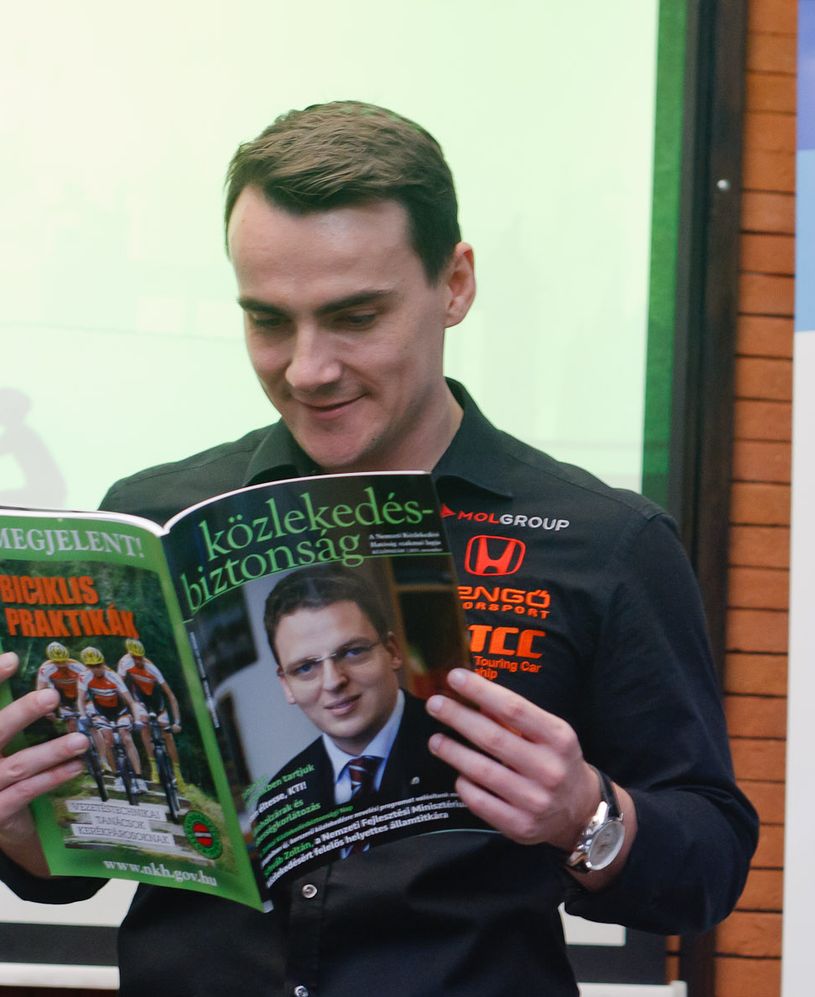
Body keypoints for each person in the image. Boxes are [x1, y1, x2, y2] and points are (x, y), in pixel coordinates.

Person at [0, 100, 755, 996]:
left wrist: (584, 811)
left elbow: (708, 862)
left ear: (455, 284)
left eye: (355, 316)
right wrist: (19, 818)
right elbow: (68, 868)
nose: (307, 368)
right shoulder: (155, 513)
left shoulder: (604, 542)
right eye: (268, 321)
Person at [253, 564, 475, 858]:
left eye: (353, 651)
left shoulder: (471, 750)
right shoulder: (277, 804)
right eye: (305, 668)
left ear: (392, 651)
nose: (333, 682)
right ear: (286, 685)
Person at [75, 646, 147, 787]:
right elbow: (80, 700)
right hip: (101, 712)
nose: (96, 669)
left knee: (126, 737)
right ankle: (117, 775)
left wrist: (138, 719)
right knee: (107, 740)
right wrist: (83, 715)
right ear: (87, 666)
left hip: (119, 710)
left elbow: (131, 701)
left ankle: (139, 777)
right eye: (92, 666)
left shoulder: (113, 676)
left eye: (98, 665)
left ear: (103, 663)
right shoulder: (84, 677)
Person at [115, 638, 182, 783]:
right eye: (135, 658)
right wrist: (125, 711)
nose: (138, 661)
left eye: (140, 657)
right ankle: (154, 768)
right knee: (144, 727)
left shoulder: (151, 668)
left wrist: (177, 722)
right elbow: (119, 687)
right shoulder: (124, 662)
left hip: (156, 698)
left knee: (167, 734)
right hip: (139, 696)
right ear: (129, 654)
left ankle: (178, 772)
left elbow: (171, 696)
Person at [34, 642, 86, 724]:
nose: (62, 665)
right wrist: (47, 711)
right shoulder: (45, 669)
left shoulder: (78, 667)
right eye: (58, 662)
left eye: (64, 661)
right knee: (71, 724)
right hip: (64, 697)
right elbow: (40, 690)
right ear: (52, 660)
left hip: (81, 695)